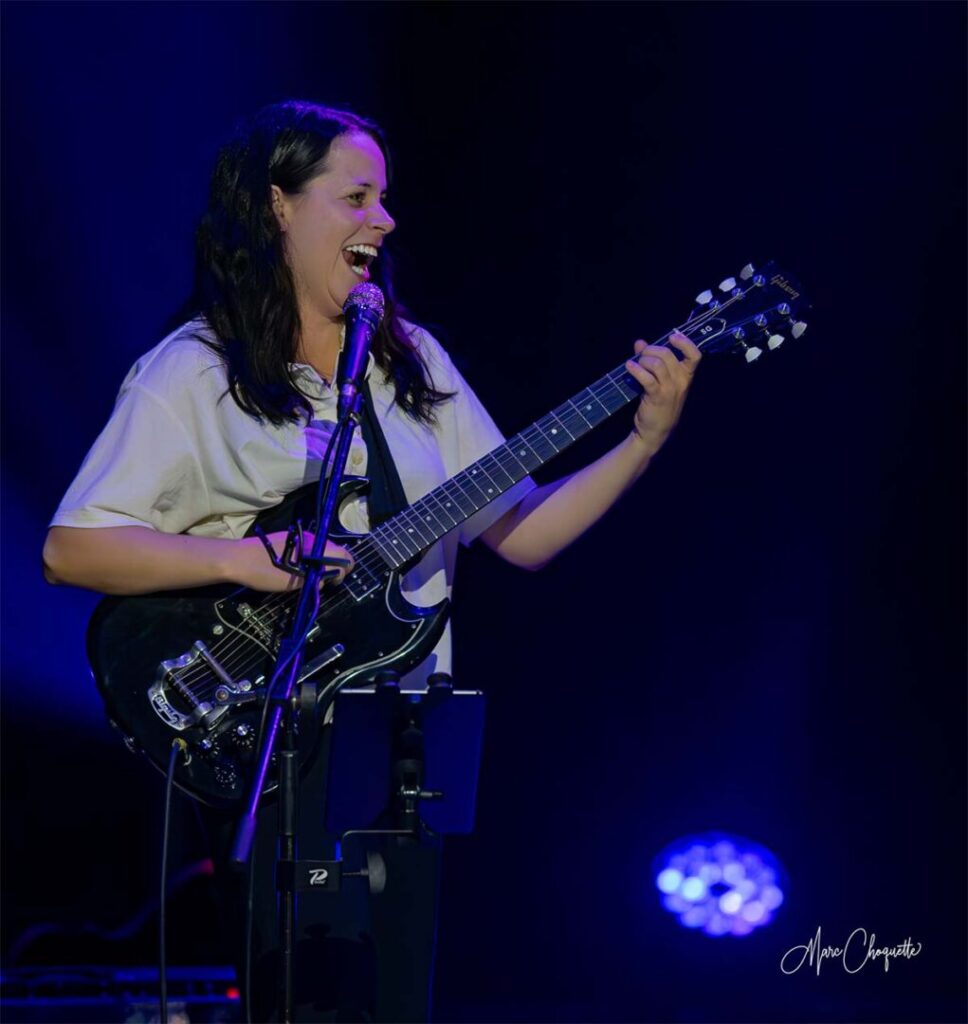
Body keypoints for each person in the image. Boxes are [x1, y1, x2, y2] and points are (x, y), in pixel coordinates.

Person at [43, 100, 701, 1022]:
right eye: (356, 198)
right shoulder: (194, 369)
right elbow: (72, 550)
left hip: (406, 731)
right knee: (306, 996)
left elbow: (525, 532)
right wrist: (246, 558)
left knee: (395, 999)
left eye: (384, 201)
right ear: (279, 206)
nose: (382, 223)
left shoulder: (414, 363)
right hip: (268, 719)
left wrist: (644, 438)